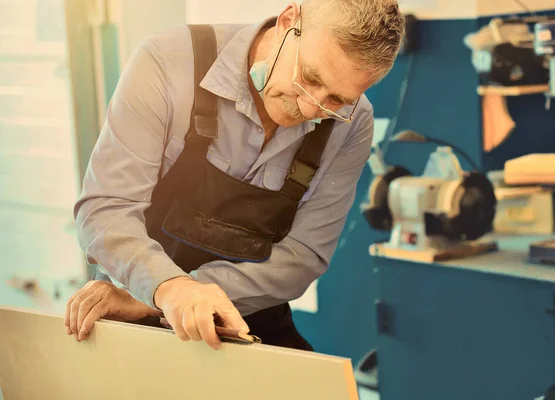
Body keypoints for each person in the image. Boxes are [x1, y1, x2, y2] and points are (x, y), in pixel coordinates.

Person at [65, 0, 404, 350]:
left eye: (335, 99)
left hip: (244, 321)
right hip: (130, 302)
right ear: (288, 21)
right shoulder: (167, 61)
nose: (308, 107)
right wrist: (166, 289)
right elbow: (106, 208)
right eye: (309, 77)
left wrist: (181, 296)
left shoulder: (353, 124)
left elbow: (303, 256)